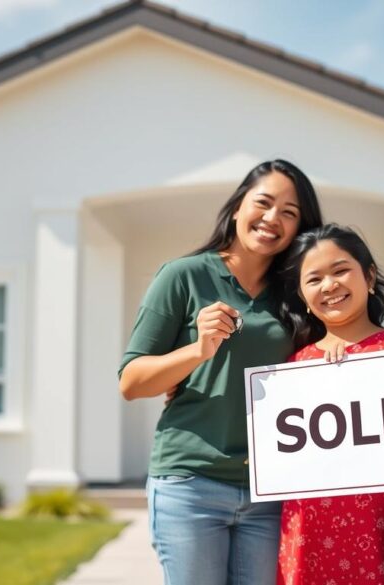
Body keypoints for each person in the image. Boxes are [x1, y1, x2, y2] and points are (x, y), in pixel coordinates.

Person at [119, 159, 324, 585]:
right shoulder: (183, 276)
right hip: (189, 483)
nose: (272, 219)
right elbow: (132, 381)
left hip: (269, 489)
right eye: (264, 203)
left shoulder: (297, 293)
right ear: (236, 207)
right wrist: (197, 350)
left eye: (290, 213)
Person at [275, 224, 384, 585]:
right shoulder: (293, 366)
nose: (329, 285)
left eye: (341, 270)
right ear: (302, 294)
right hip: (310, 531)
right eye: (314, 279)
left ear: (370, 276)